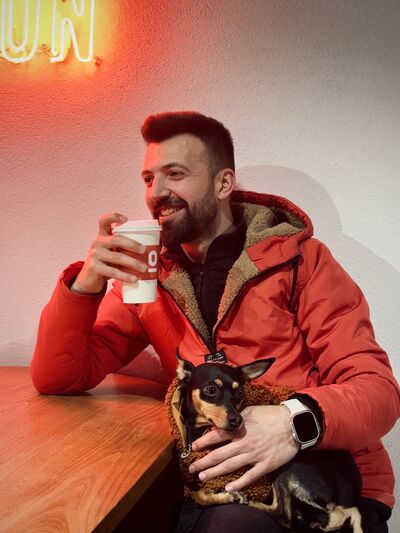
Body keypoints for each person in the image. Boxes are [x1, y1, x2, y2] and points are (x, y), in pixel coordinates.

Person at [31, 111, 399, 532]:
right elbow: (59, 377)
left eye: (175, 174)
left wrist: (292, 423)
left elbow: (378, 391)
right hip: (222, 476)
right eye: (149, 178)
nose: (157, 193)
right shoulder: (148, 275)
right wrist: (85, 285)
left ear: (223, 183)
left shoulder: (302, 261)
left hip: (329, 474)